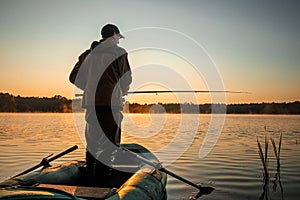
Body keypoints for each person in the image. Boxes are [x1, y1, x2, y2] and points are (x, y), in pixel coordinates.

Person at [71, 24, 132, 181]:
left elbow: (73, 77)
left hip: (91, 104)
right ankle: (102, 181)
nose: (119, 40)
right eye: (118, 37)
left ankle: (91, 177)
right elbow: (126, 78)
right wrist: (123, 90)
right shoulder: (119, 53)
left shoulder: (87, 54)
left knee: (92, 142)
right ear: (113, 34)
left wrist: (91, 87)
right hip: (111, 104)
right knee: (110, 143)